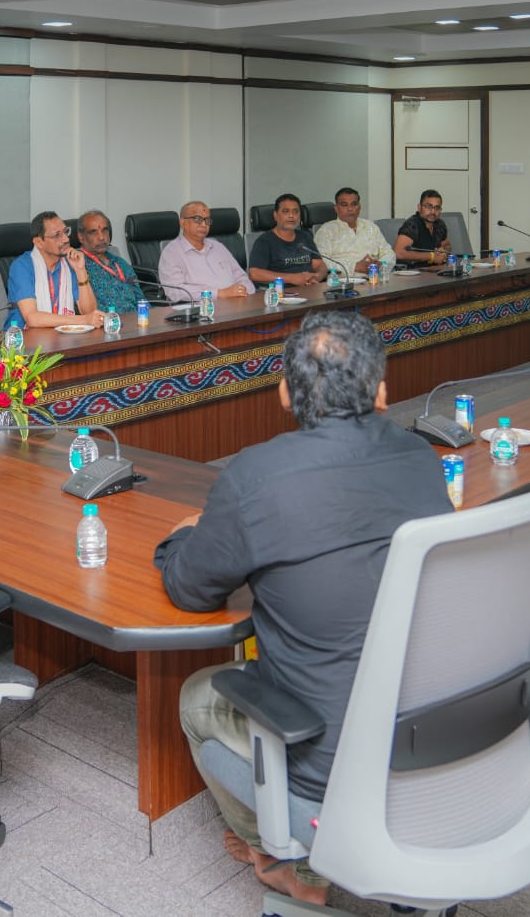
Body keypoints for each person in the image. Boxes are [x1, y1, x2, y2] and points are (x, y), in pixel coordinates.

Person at [156, 311, 451, 904]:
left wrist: (183, 536)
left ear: (285, 394)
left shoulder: (256, 475)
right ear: (382, 392)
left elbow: (191, 591)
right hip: (438, 730)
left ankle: (287, 863)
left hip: (331, 767)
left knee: (197, 696)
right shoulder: (419, 456)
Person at [6, 210, 105, 328]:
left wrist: (81, 271)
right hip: (22, 336)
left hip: (61, 335)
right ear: (39, 242)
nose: (66, 239)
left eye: (66, 232)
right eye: (57, 235)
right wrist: (83, 320)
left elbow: (89, 312)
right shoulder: (22, 266)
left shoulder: (69, 263)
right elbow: (32, 318)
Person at [158, 200, 254, 302]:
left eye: (207, 220)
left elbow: (242, 277)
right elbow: (175, 292)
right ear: (182, 222)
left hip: (237, 303)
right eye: (197, 219)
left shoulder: (218, 247)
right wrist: (219, 294)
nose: (204, 224)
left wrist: (243, 290)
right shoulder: (172, 253)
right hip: (202, 307)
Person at [246, 194, 327, 287]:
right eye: (285, 211)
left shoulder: (305, 236)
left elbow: (319, 264)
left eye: (296, 212)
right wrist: (292, 278)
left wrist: (317, 276)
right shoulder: (264, 241)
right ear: (275, 215)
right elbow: (254, 274)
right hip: (281, 291)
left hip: (309, 287)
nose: (291, 215)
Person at [313, 187, 394, 278]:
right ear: (336, 208)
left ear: (359, 207)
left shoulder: (370, 227)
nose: (350, 209)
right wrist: (353, 267)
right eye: (344, 205)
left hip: (374, 278)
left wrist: (381, 264)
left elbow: (389, 253)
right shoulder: (326, 231)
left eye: (354, 204)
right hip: (344, 281)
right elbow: (321, 263)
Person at [77, 210, 143, 314]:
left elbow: (141, 300)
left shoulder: (121, 263)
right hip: (105, 322)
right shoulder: (77, 265)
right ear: (81, 237)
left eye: (105, 230)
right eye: (93, 232)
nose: (101, 237)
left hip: (135, 320)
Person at [393, 189, 452, 265]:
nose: (433, 212)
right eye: (428, 207)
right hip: (413, 270)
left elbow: (447, 245)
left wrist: (443, 251)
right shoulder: (413, 224)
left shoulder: (440, 224)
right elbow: (398, 253)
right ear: (419, 207)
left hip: (434, 269)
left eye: (437, 208)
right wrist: (431, 256)